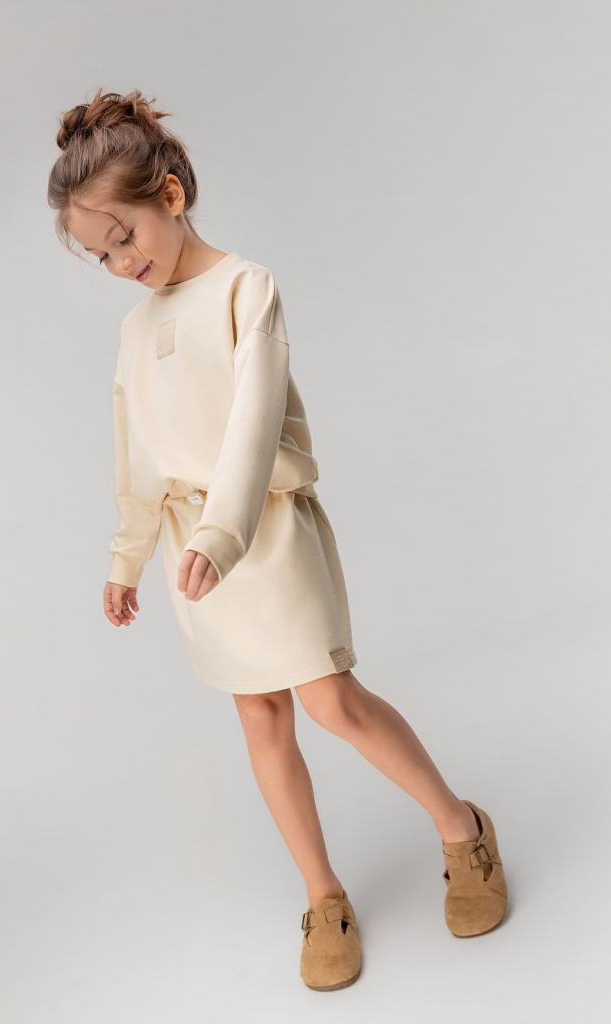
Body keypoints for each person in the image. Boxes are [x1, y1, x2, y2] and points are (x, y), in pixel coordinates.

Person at [47, 87, 509, 992]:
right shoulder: (134, 331)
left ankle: (463, 830)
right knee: (258, 717)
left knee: (330, 700)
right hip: (190, 549)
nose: (120, 264)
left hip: (260, 530)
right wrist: (125, 556)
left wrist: (222, 534)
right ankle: (322, 893)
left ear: (170, 194)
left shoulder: (244, 287)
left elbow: (255, 421)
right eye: (101, 255)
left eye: (125, 237)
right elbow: (136, 455)